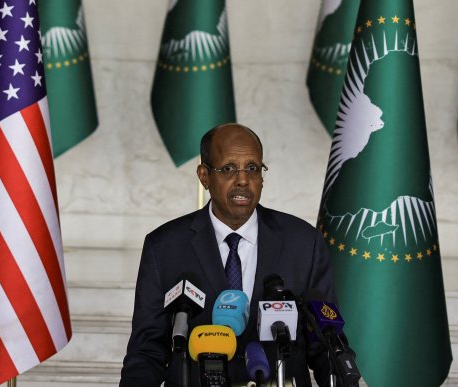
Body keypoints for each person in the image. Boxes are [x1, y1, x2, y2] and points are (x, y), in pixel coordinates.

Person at [120, 123, 340, 386]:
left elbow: (326, 346)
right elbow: (147, 351)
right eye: (228, 169)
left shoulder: (304, 242)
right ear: (204, 175)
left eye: (252, 168)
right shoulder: (164, 246)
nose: (243, 180)